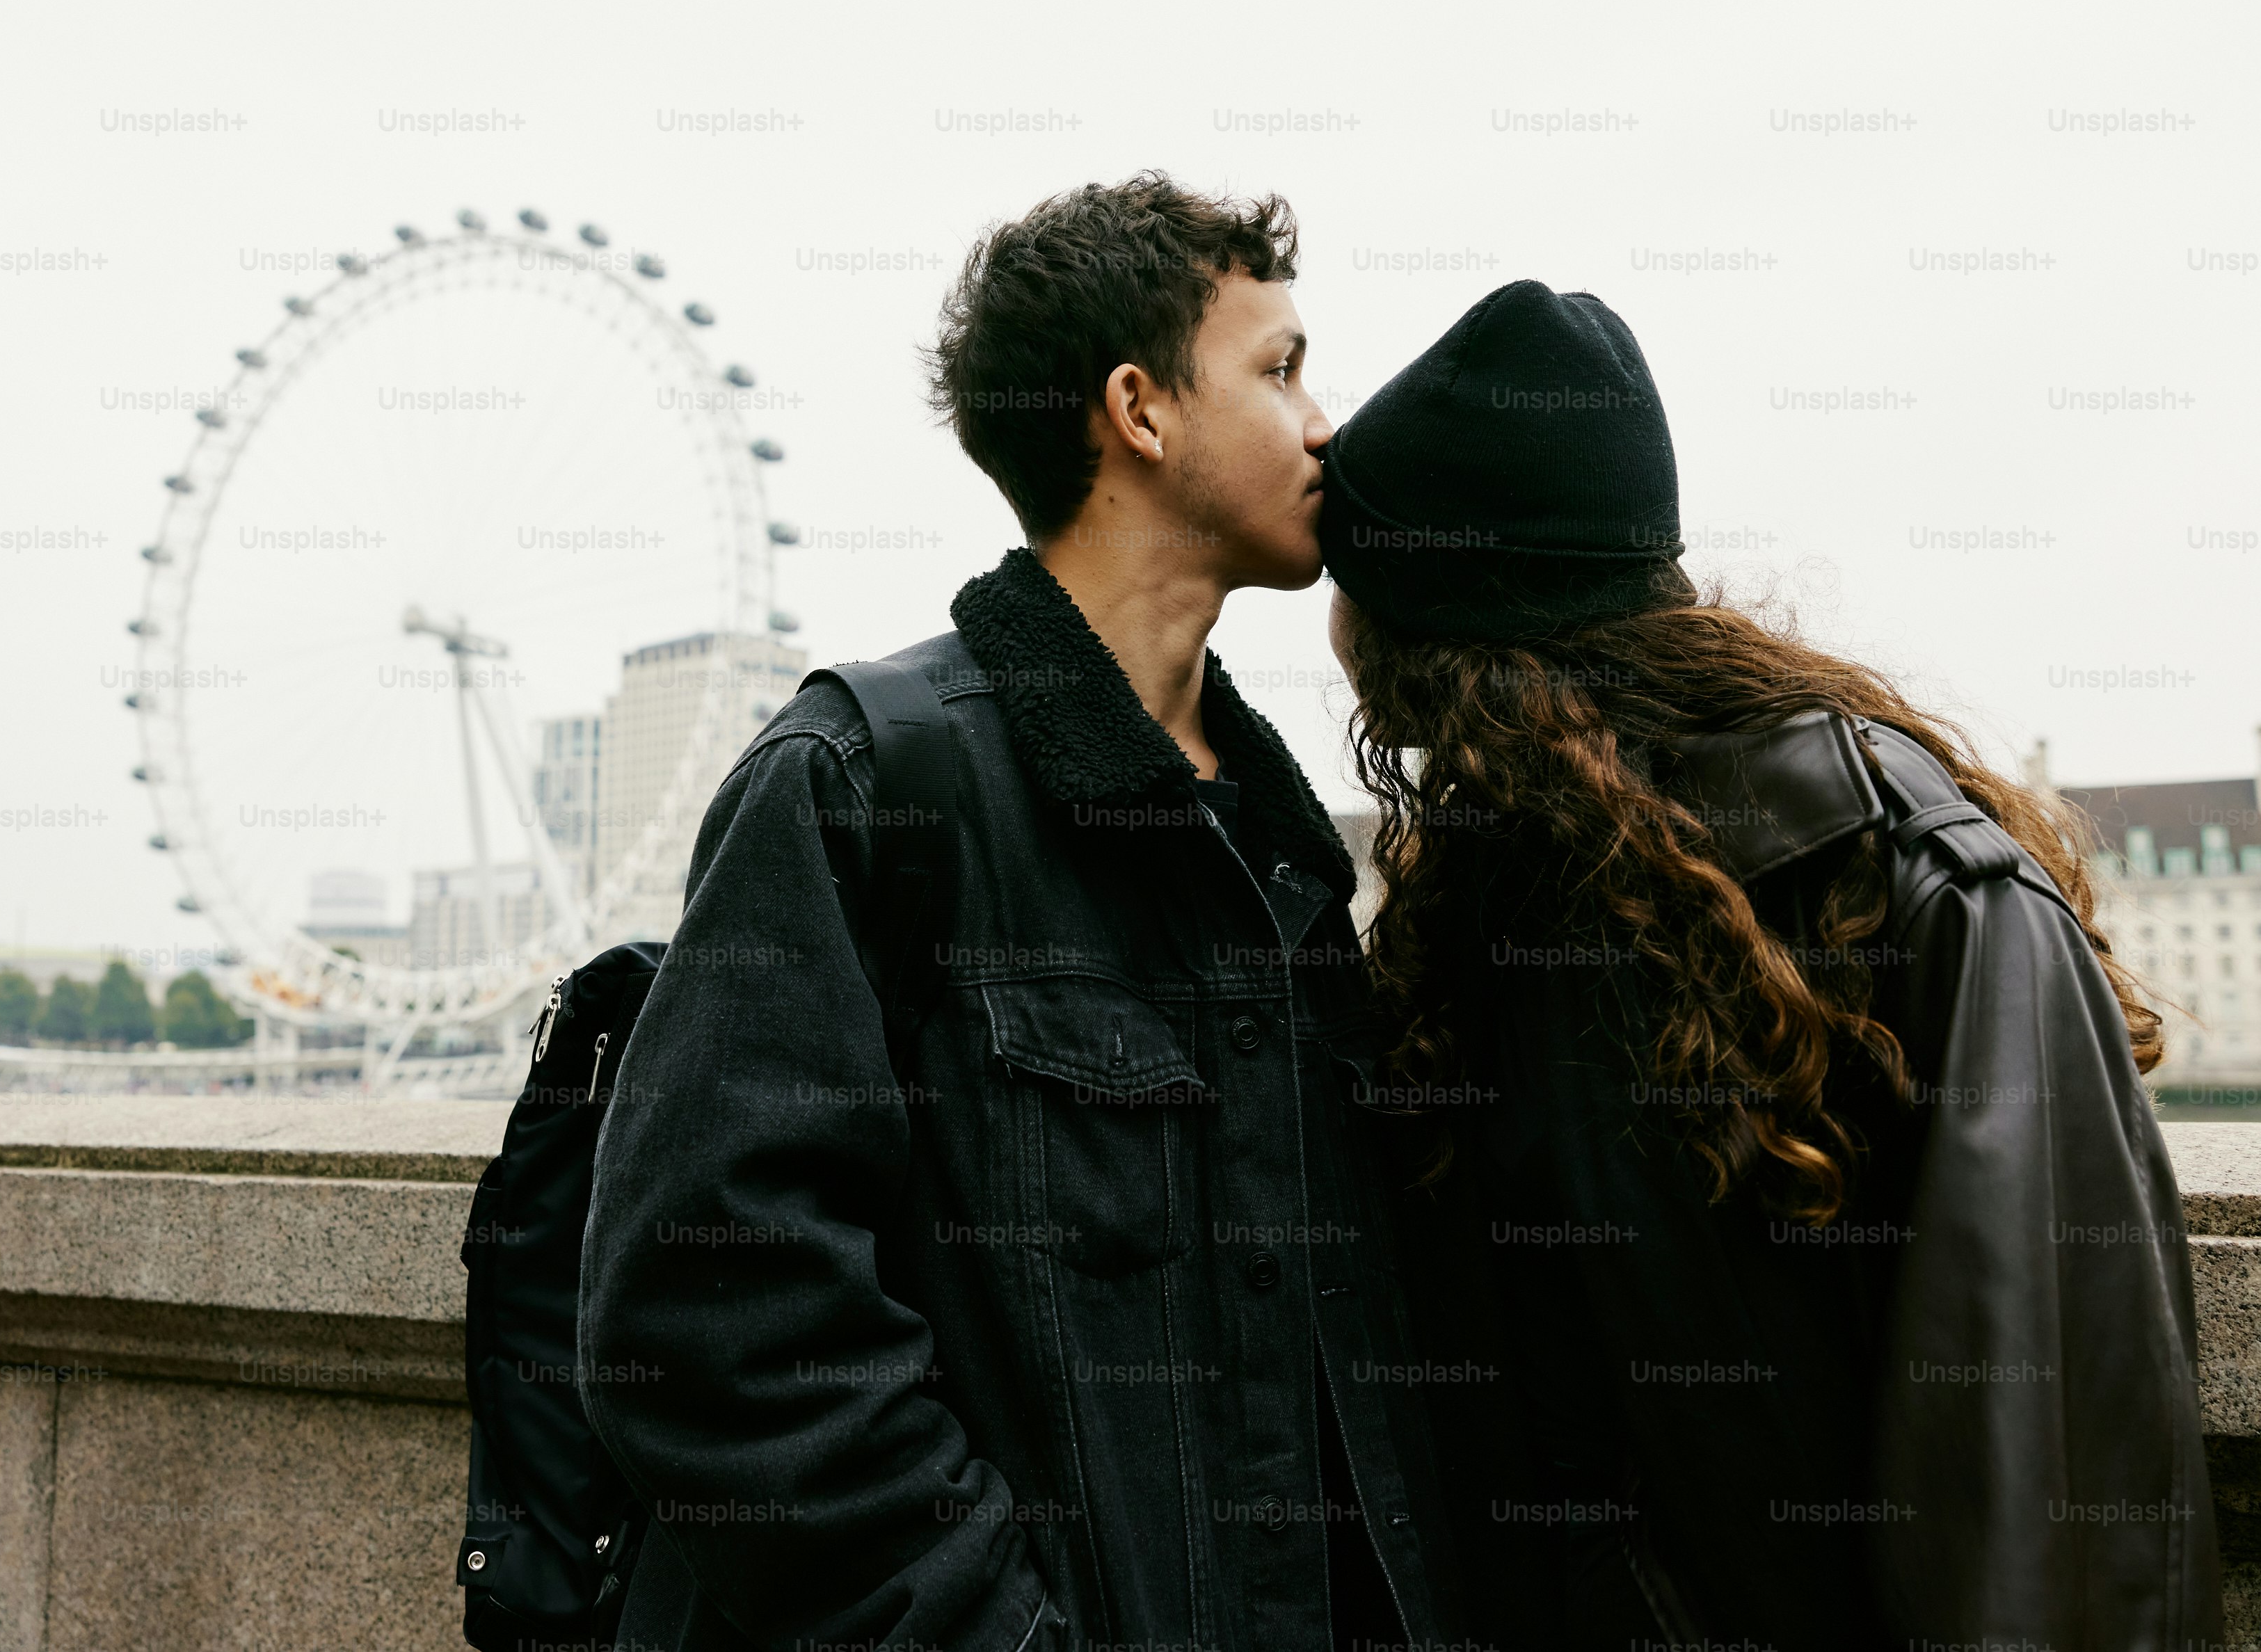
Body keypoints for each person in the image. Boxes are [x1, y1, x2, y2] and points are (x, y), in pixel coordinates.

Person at [578, 173, 1461, 1649]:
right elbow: (703, 1322)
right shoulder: (862, 784)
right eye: (1280, 366)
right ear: (1140, 408)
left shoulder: (1271, 842)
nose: (1325, 424)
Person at [1318, 278, 2223, 1646]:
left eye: (1351, 590)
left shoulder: (1917, 885)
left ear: (1436, 635)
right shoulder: (1493, 885)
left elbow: (2046, 1482)